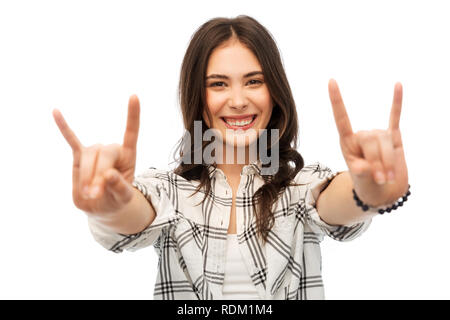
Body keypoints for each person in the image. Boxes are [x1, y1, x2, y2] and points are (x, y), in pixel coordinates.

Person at [52, 15, 410, 300]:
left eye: (253, 81)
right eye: (218, 84)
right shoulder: (170, 190)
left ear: (275, 92)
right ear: (197, 95)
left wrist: (368, 191)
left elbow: (333, 198)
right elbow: (137, 212)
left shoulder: (300, 184)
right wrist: (110, 207)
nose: (238, 100)